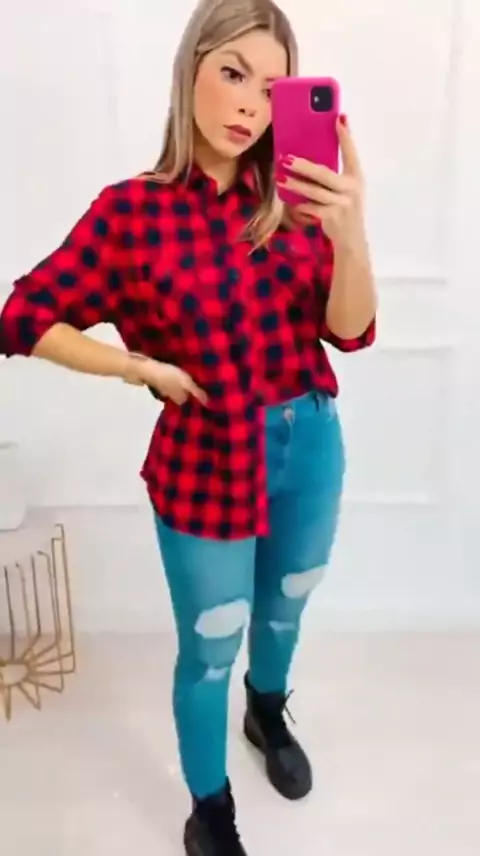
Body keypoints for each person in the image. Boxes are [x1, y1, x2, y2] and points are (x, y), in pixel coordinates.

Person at [0, 0, 377, 852]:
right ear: (191, 71)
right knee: (209, 645)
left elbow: (350, 332)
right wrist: (138, 366)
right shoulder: (131, 213)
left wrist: (352, 233)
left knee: (284, 612)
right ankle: (210, 806)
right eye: (233, 73)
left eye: (273, 88)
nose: (249, 105)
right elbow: (23, 317)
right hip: (205, 457)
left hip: (310, 442)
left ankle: (267, 714)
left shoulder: (297, 202)